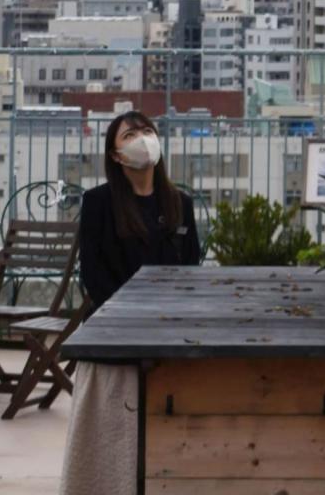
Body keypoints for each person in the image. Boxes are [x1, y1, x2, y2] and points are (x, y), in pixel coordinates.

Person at [60, 111, 202, 495]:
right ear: (116, 154)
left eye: (147, 131)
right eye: (130, 134)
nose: (142, 138)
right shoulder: (98, 203)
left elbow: (192, 267)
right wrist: (129, 319)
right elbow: (94, 276)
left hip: (171, 338)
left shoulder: (180, 204)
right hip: (113, 340)